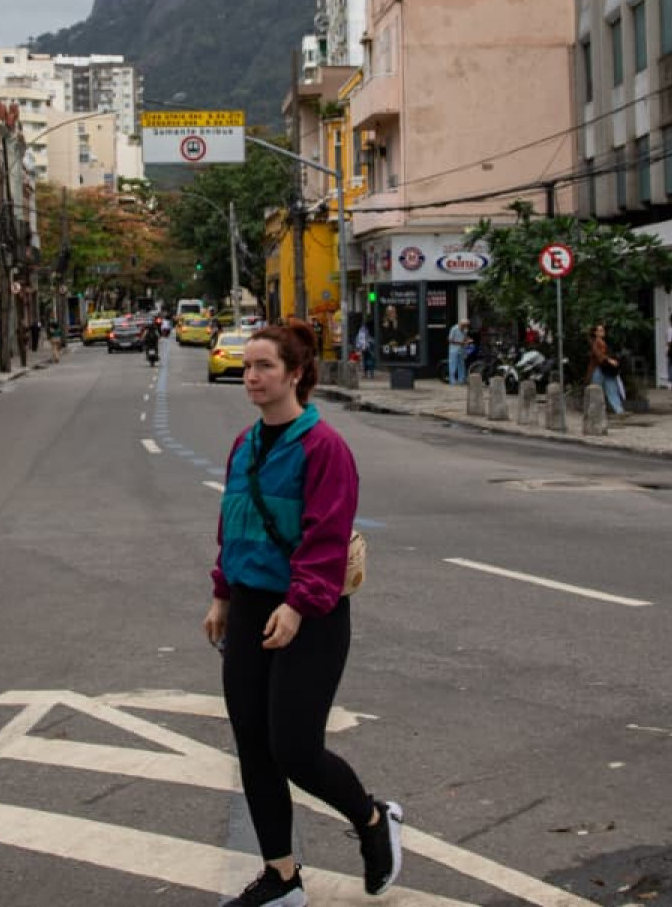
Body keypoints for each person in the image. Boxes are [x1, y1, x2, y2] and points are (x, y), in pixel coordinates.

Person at [204, 321, 403, 906]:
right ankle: (282, 878)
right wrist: (222, 593)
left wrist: (297, 605)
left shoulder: (324, 447)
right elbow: (233, 525)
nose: (252, 376)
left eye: (265, 366)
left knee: (293, 746)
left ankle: (372, 821)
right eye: (247, 366)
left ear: (296, 373)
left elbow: (326, 537)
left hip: (310, 612)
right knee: (253, 746)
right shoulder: (245, 444)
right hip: (249, 606)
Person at [588, 324, 627, 416]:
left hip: (606, 369)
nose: (603, 332)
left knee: (612, 389)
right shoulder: (595, 343)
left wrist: (611, 360)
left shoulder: (603, 342)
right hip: (598, 369)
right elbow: (598, 355)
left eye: (603, 330)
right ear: (595, 333)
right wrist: (609, 360)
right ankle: (594, 411)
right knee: (596, 390)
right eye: (600, 330)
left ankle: (619, 410)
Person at [446, 319, 469, 385]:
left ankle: (461, 380)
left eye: (466, 326)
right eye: (464, 325)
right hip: (454, 350)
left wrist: (467, 340)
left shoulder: (465, 330)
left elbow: (465, 338)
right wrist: (460, 342)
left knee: (461, 365)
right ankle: (452, 381)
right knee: (453, 365)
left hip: (461, 350)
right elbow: (450, 340)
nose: (465, 327)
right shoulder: (454, 329)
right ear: (460, 324)